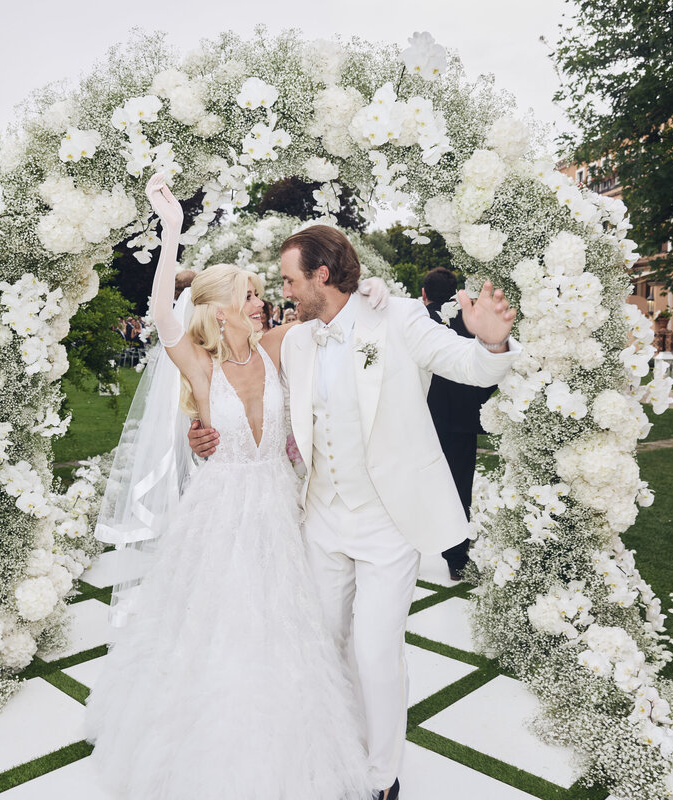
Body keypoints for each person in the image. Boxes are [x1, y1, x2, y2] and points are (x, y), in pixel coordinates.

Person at [190, 225, 519, 799]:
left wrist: (491, 344)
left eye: (291, 279)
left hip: (387, 521)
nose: (283, 291)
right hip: (320, 518)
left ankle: (381, 773)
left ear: (322, 274)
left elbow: (464, 364)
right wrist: (204, 433)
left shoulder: (395, 319)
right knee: (322, 642)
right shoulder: (294, 341)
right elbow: (241, 387)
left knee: (374, 650)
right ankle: (333, 746)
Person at [84, 174, 375, 800]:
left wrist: (367, 290)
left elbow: (334, 322)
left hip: (277, 506)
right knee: (214, 626)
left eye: (262, 293)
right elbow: (162, 311)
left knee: (287, 625)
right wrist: (170, 234)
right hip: (219, 511)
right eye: (250, 294)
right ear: (220, 308)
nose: (262, 302)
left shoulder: (275, 347)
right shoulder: (197, 361)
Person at [421, 267, 496, 580]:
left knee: (416, 481)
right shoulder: (472, 318)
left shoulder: (419, 321)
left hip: (424, 416)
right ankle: (456, 558)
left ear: (425, 295)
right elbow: (491, 360)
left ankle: (405, 549)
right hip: (463, 418)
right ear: (454, 292)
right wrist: (479, 400)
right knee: (459, 486)